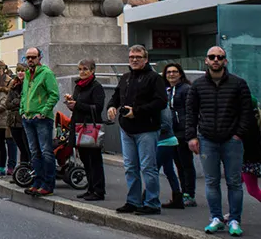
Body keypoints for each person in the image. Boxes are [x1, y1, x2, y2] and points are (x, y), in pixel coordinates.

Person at [185, 45, 253, 237]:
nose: (216, 60)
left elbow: (246, 112)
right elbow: (190, 112)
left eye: (219, 57)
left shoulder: (238, 84)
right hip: (207, 140)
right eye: (212, 57)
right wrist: (191, 136)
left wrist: (239, 134)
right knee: (211, 181)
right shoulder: (197, 85)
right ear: (206, 61)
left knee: (234, 183)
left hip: (232, 140)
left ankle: (234, 220)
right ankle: (216, 218)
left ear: (225, 61)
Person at [107, 44, 167, 215]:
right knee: (130, 167)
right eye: (131, 57)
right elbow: (116, 96)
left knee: (148, 167)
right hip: (127, 128)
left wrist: (137, 112)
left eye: (138, 57)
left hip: (147, 129)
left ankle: (152, 202)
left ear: (146, 59)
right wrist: (112, 106)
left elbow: (161, 102)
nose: (134, 60)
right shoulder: (125, 77)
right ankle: (133, 201)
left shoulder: (154, 78)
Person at [20, 47, 60, 196]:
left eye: (33, 57)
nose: (30, 60)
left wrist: (43, 112)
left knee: (46, 152)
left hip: (41, 119)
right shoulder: (27, 74)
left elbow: (54, 95)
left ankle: (48, 184)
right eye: (28, 57)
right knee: (34, 152)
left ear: (39, 58)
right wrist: (22, 111)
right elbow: (24, 94)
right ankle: (37, 181)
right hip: (28, 117)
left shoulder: (46, 73)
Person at [65, 59, 106, 201]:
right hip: (79, 126)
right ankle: (90, 188)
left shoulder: (96, 87)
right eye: (80, 69)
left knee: (94, 160)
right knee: (85, 159)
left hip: (90, 127)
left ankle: (99, 190)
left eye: (85, 69)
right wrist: (71, 103)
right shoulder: (79, 86)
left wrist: (78, 105)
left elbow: (98, 108)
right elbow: (78, 105)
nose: (82, 72)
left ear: (92, 71)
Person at [163, 63, 196, 207]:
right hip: (170, 131)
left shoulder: (186, 89)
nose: (171, 74)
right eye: (169, 72)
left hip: (183, 130)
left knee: (186, 163)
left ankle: (189, 193)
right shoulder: (166, 90)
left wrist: (190, 130)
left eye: (175, 72)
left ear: (180, 74)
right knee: (178, 164)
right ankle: (182, 192)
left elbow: (191, 111)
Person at [5, 64, 28, 176]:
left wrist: (16, 102)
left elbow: (25, 102)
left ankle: (25, 171)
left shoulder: (29, 85)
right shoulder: (14, 85)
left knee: (26, 147)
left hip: (23, 120)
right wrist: (16, 102)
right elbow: (7, 104)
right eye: (18, 70)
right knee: (21, 147)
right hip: (13, 121)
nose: (20, 73)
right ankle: (22, 172)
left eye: (22, 70)